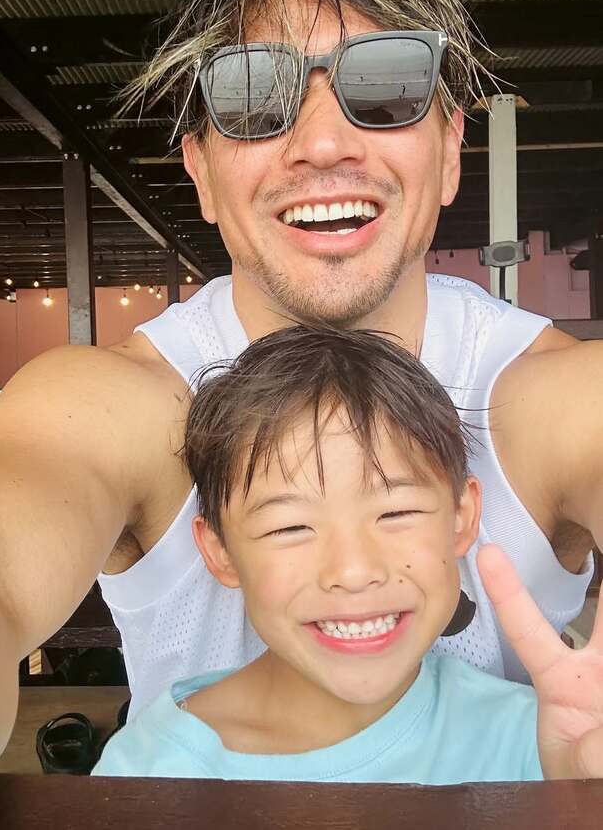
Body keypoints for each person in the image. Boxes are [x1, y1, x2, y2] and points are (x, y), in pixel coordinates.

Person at [0, 0, 601, 827]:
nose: (322, 143)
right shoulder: (122, 402)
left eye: (388, 84)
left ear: (448, 150)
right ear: (199, 168)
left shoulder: (552, 396)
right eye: (251, 95)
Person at [93, 326, 603, 783]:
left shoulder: (546, 744)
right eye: (291, 526)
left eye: (396, 513)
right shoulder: (150, 774)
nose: (354, 571)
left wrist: (574, 799)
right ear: (219, 550)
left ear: (462, 517)